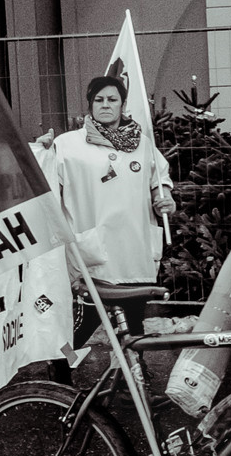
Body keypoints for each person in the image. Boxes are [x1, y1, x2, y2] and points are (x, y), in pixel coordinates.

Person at [37, 74, 177, 351]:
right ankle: (58, 367)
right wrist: (41, 152)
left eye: (112, 99)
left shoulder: (142, 144)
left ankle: (133, 374)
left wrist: (165, 197)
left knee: (133, 327)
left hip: (135, 254)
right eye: (98, 100)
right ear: (90, 105)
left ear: (122, 105)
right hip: (94, 255)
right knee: (81, 327)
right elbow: (45, 182)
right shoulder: (67, 145)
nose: (105, 105)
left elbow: (158, 180)